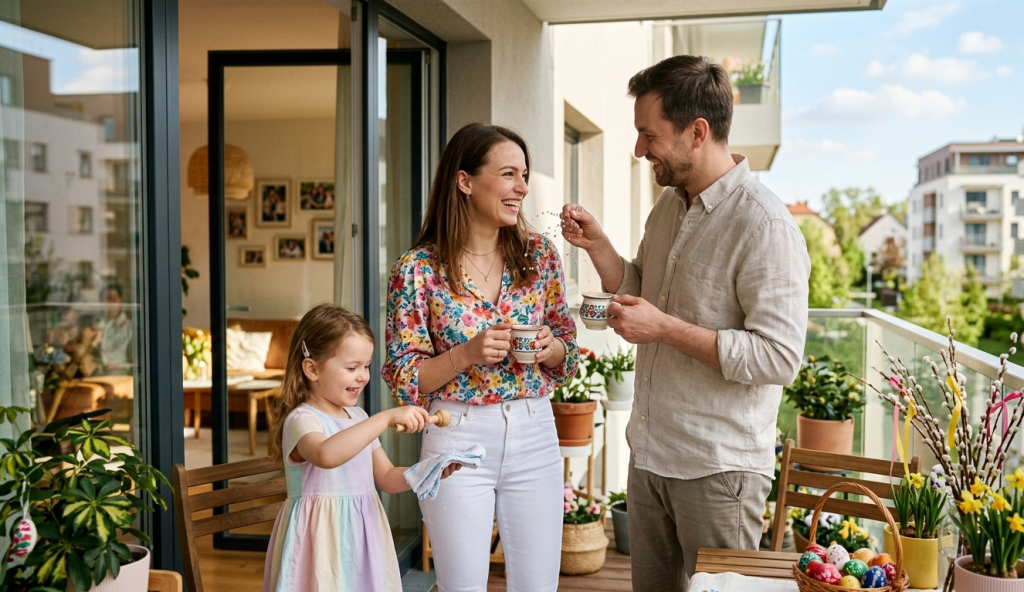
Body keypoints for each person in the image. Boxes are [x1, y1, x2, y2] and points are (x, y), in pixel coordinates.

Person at [561, 55, 811, 592]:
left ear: (698, 132)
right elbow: (641, 289)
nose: (639, 150)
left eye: (649, 135)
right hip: (651, 456)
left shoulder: (764, 224)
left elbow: (779, 357)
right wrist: (599, 246)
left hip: (719, 473)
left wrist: (664, 329)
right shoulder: (669, 207)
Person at [384, 123, 580, 592]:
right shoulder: (418, 269)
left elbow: (567, 350)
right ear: (465, 181)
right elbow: (403, 376)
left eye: (524, 175)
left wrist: (549, 347)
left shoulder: (540, 256)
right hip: (456, 435)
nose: (522, 187)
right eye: (508, 174)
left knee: (538, 586)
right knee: (462, 586)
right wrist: (465, 354)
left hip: (534, 431)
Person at [263, 304, 452, 592]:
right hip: (319, 540)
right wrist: (385, 418)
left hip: (362, 535)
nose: (363, 376)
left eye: (366, 366)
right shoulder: (302, 420)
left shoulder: (359, 418)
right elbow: (326, 454)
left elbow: (386, 477)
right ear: (312, 369)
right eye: (352, 368)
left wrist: (426, 471)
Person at [95, 284, 133, 375]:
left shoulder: (130, 327)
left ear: (120, 301)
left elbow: (139, 362)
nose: (110, 303)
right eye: (107, 299)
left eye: (114, 299)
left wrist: (119, 366)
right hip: (97, 375)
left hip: (121, 375)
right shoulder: (95, 326)